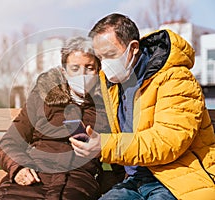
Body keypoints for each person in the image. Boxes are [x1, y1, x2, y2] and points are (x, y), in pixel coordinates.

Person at [70, 13, 215, 200]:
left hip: (178, 178)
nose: (105, 64)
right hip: (135, 179)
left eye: (110, 55)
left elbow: (167, 141)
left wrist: (103, 145)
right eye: (101, 57)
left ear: (133, 48)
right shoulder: (113, 85)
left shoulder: (176, 79)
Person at [0, 36, 123, 200]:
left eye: (89, 68)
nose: (82, 74)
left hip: (77, 183)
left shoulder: (108, 106)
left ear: (98, 70)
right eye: (75, 68)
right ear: (64, 71)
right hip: (32, 176)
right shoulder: (42, 98)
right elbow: (10, 141)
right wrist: (18, 168)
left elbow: (121, 153)